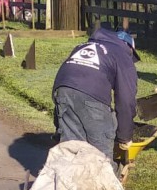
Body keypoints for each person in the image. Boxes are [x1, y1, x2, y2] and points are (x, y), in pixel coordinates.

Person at [52, 27, 140, 171]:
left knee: (72, 150)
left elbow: (66, 77)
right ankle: (107, 183)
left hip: (62, 90)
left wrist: (59, 125)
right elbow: (126, 100)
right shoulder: (122, 54)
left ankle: (69, 182)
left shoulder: (82, 46)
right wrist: (125, 137)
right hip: (92, 97)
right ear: (129, 47)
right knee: (100, 154)